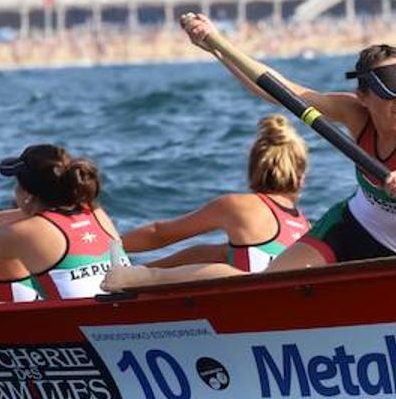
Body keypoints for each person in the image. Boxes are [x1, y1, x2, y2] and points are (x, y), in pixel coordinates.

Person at [177, 12, 396, 270]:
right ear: (363, 96)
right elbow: (281, 92)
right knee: (273, 280)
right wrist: (217, 46)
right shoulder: (355, 114)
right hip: (348, 227)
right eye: (390, 93)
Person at [107, 114, 309, 290]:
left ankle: (137, 278)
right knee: (214, 253)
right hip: (286, 297)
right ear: (301, 176)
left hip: (251, 301)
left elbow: (160, 234)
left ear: (252, 168)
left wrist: (108, 247)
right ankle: (134, 273)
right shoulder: (304, 224)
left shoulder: (238, 206)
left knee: (218, 257)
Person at [0, 144, 127, 301]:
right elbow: (41, 218)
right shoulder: (95, 212)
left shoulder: (23, 233)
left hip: (83, 328)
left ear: (27, 194)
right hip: (123, 313)